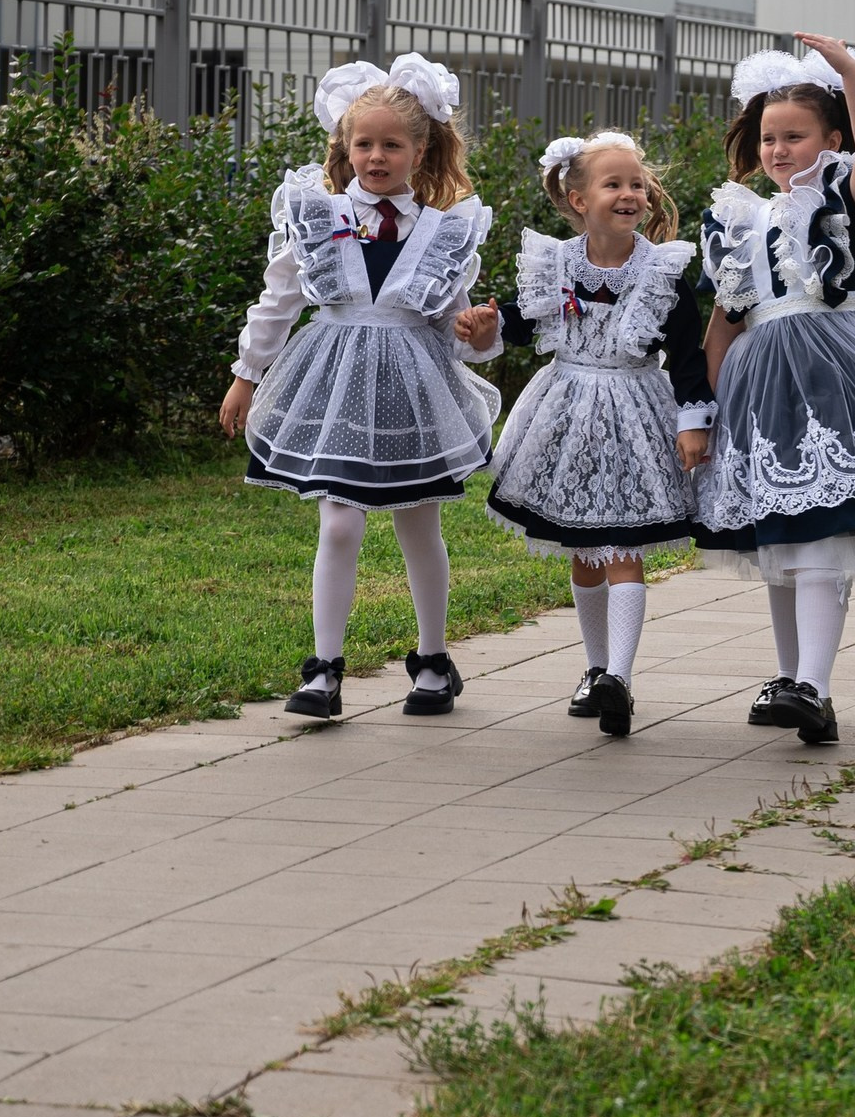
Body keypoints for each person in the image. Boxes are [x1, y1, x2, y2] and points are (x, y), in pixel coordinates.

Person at [220, 54, 500, 722]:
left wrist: (479, 330)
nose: (377, 156)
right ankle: (325, 669)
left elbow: (457, 329)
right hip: (335, 380)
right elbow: (277, 300)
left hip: (413, 386)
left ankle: (433, 660)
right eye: (363, 143)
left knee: (417, 523)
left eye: (391, 144)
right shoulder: (315, 215)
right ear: (344, 147)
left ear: (421, 148)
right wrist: (244, 376)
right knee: (340, 523)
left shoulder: (446, 229)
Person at [694, 34, 855, 745]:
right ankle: (791, 678)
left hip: (838, 382)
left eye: (795, 135)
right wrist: (712, 410)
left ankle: (816, 685)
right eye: (769, 137)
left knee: (825, 535)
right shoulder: (738, 218)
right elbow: (724, 320)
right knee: (781, 537)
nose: (778, 149)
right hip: (760, 391)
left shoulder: (850, 200)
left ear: (830, 137)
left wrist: (848, 73)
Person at [456, 131, 716, 738]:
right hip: (565, 414)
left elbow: (685, 356)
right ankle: (595, 669)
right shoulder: (555, 264)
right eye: (614, 184)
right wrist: (486, 326)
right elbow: (521, 325)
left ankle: (619, 679)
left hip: (635, 414)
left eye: (637, 185)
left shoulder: (663, 273)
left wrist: (693, 422)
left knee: (623, 550)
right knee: (584, 553)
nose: (629, 194)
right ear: (577, 199)